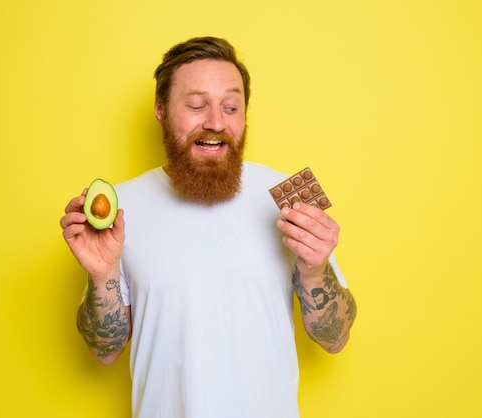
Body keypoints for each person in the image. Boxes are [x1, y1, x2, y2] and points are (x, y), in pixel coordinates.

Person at [60, 36, 357, 418]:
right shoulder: (121, 208)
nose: (216, 122)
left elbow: (336, 339)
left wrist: (316, 271)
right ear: (161, 111)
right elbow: (104, 351)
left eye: (231, 106)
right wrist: (101, 275)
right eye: (196, 105)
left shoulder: (285, 201)